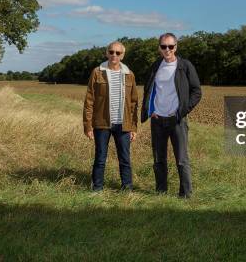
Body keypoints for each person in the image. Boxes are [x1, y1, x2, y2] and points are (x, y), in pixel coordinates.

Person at [141, 33, 202, 198]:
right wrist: (150, 110)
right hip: (157, 120)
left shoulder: (185, 66)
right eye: (163, 46)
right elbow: (148, 89)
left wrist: (182, 110)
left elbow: (196, 91)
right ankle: (161, 192)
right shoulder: (155, 66)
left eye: (170, 46)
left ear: (176, 47)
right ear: (159, 48)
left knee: (182, 159)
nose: (167, 50)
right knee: (159, 159)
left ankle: (186, 194)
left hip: (177, 120)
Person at [83, 41, 138, 191]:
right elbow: (89, 101)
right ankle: (97, 188)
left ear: (123, 55)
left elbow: (133, 103)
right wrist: (88, 126)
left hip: (124, 124)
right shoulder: (97, 72)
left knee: (125, 159)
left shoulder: (129, 74)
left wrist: (133, 127)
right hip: (102, 123)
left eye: (118, 53)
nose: (114, 55)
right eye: (111, 52)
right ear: (107, 53)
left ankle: (127, 189)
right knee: (100, 158)